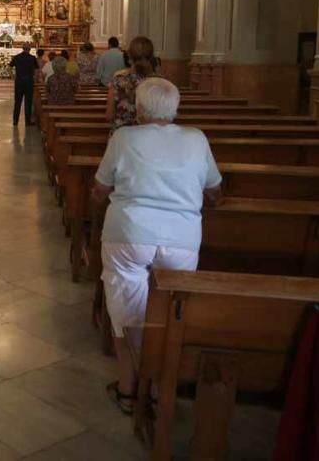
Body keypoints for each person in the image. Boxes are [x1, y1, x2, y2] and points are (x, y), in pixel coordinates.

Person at [91, 78, 222, 415]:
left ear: (139, 107)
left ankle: (128, 388)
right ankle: (158, 389)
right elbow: (215, 192)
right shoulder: (196, 138)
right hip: (181, 238)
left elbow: (99, 188)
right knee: (171, 313)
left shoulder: (123, 137)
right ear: (175, 108)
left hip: (129, 233)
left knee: (126, 311)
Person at [107, 36, 160, 131]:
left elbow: (110, 116)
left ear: (129, 55)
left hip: (122, 137)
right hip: (149, 137)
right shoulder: (160, 83)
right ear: (151, 56)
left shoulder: (117, 81)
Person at [9, 44, 38, 125]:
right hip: (29, 81)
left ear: (22, 49)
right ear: (29, 49)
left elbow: (10, 65)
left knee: (17, 101)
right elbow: (36, 68)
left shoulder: (17, 57)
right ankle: (27, 121)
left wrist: (14, 75)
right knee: (28, 102)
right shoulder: (32, 58)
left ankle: (15, 121)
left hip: (19, 81)